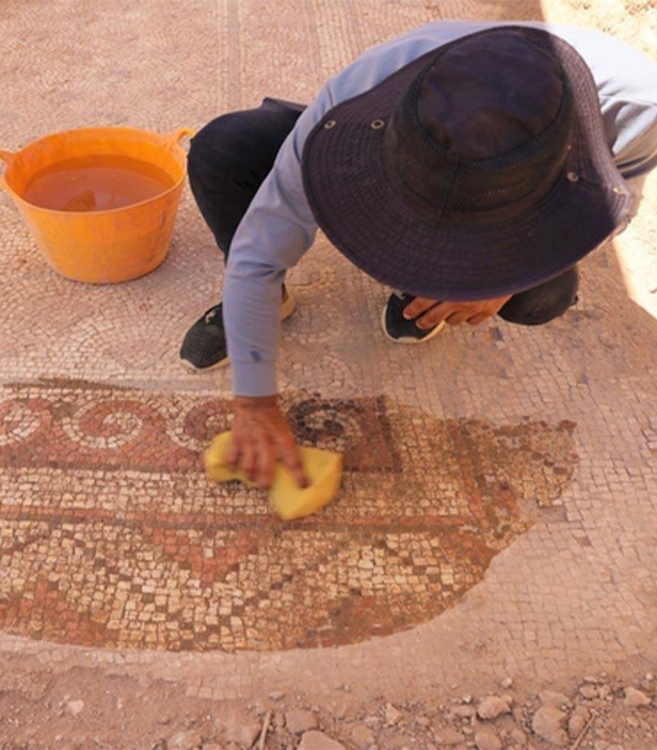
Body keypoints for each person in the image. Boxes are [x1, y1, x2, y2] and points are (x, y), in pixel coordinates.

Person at [178, 20, 657, 490]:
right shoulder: (359, 90)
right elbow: (260, 248)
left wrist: (503, 280)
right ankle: (269, 302)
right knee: (225, 150)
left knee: (543, 295)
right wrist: (255, 403)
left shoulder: (639, 108)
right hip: (396, 137)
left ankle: (426, 288)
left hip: (531, 189)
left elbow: (610, 208)